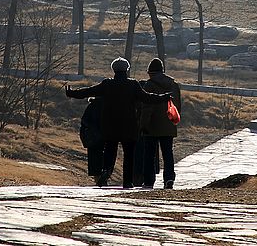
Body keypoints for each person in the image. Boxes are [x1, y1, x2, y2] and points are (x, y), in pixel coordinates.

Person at [65, 57, 172, 189]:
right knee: (129, 155)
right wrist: (164, 97)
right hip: (129, 126)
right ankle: (127, 182)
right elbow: (147, 98)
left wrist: (71, 93)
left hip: (110, 126)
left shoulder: (107, 84)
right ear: (127, 69)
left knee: (110, 151)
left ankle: (106, 172)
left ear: (113, 70)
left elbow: (88, 91)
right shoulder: (133, 85)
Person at [140, 57, 181, 189]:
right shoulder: (174, 85)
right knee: (168, 153)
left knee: (149, 155)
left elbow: (147, 108)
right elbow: (178, 106)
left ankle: (148, 180)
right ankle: (169, 178)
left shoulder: (149, 85)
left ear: (150, 72)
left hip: (151, 126)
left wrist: (143, 125)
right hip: (168, 124)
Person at [79, 96, 111, 185]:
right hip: (106, 136)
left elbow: (84, 121)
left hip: (93, 137)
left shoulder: (91, 106)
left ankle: (98, 179)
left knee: (94, 159)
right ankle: (104, 176)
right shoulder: (109, 106)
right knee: (105, 158)